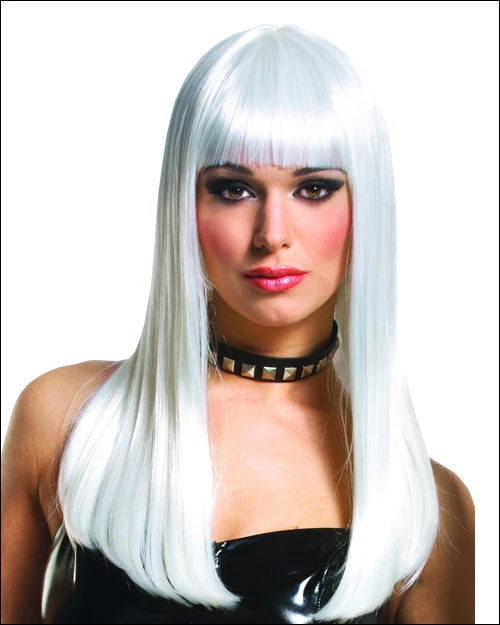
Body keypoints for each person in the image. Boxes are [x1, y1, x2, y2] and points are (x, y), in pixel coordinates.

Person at [1, 24, 475, 625]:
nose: (272, 233)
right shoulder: (68, 423)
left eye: (314, 188)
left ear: (367, 207)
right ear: (184, 205)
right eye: (233, 189)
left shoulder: (423, 507)